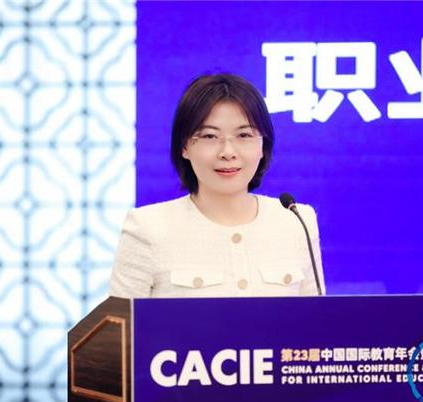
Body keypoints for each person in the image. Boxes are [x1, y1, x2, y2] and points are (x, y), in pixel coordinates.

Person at [109, 73, 324, 298]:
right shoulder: (147, 227)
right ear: (184, 147)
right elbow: (117, 321)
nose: (228, 152)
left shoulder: (296, 220)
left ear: (263, 146)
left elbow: (316, 317)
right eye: (210, 137)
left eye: (244, 135)